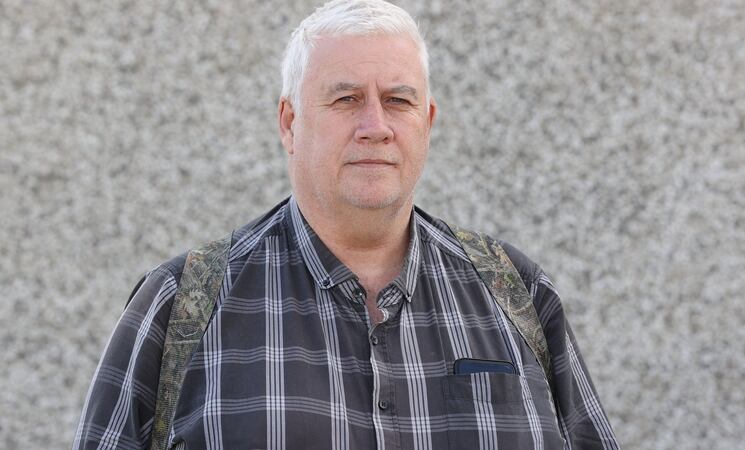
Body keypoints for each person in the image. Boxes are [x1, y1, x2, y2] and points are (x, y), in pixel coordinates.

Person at [73, 0, 619, 449]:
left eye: (398, 100)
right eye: (346, 99)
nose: (375, 126)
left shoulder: (518, 293)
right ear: (290, 123)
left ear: (427, 122)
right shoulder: (181, 305)